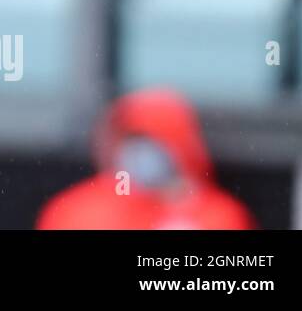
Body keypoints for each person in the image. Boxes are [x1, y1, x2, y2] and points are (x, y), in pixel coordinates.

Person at [36, 88, 255, 229]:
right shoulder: (78, 209)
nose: (137, 153)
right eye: (128, 141)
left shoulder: (220, 216)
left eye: (147, 139)